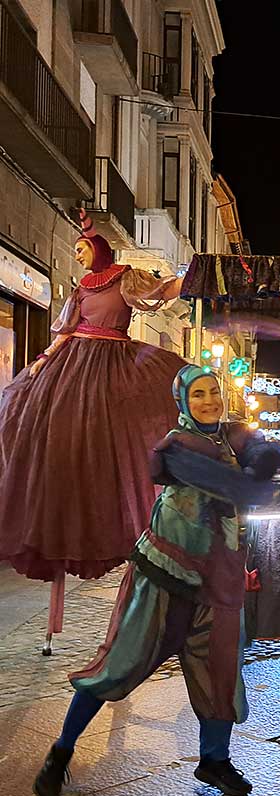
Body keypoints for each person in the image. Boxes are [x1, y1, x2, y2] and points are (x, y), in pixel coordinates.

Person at [32, 366, 280, 796]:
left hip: (221, 578)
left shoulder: (232, 436)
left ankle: (215, 760)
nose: (209, 401)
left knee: (220, 671)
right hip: (166, 574)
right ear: (183, 401)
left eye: (214, 392)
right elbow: (234, 485)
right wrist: (257, 474)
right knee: (119, 664)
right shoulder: (177, 447)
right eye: (198, 394)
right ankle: (61, 750)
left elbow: (270, 451)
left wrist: (263, 459)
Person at [0, 210, 185, 638]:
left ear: (97, 249)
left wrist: (190, 278)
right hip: (72, 366)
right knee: (45, 426)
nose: (79, 255)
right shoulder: (81, 287)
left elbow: (160, 292)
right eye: (77, 249)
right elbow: (65, 332)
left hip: (112, 365)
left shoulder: (125, 278)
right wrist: (40, 362)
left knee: (119, 434)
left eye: (82, 248)